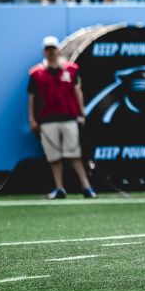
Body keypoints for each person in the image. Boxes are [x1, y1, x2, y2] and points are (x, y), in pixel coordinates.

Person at [28, 36, 96, 200]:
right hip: (47, 119)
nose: (51, 52)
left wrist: (82, 111)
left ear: (58, 50)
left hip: (69, 116)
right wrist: (32, 119)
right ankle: (59, 188)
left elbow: (77, 91)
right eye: (48, 49)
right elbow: (32, 97)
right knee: (54, 157)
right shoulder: (36, 73)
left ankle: (86, 187)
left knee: (74, 154)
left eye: (53, 49)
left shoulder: (71, 69)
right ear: (44, 52)